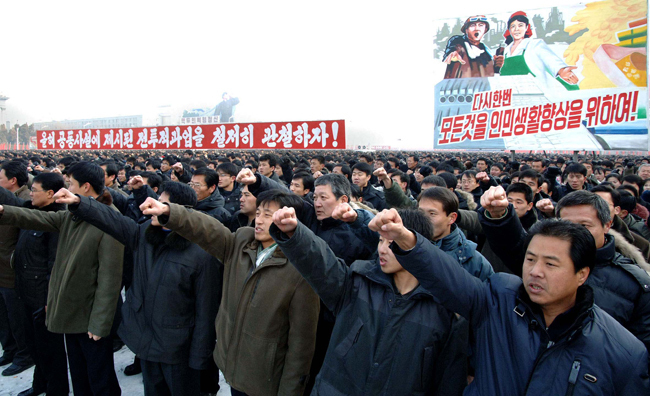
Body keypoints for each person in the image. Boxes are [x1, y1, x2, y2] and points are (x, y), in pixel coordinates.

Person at [374, 209, 649, 394]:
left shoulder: (624, 353)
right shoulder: (499, 299)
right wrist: (407, 240)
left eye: (551, 264)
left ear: (582, 274)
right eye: (530, 259)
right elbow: (448, 278)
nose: (535, 271)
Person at [140, 189, 319, 396]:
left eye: (268, 215)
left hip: (265, 378)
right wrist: (169, 212)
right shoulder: (243, 241)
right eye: (258, 212)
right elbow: (207, 229)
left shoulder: (300, 271)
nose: (259, 220)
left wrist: (290, 391)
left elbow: (301, 346)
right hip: (232, 365)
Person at [270, 206, 466, 395]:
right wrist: (296, 234)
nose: (382, 249)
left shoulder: (444, 310)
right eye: (380, 241)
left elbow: (448, 382)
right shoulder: (358, 282)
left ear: (414, 245)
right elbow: (321, 263)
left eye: (391, 243)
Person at [54, 179, 219, 396]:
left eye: (160, 204)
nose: (152, 209)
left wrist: (200, 359)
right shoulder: (144, 235)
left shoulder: (202, 252)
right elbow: (112, 220)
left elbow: (206, 312)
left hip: (179, 351)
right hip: (147, 343)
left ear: (178, 211)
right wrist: (79, 202)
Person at [0, 162, 123, 395]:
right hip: (72, 310)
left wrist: (100, 322)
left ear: (85, 187)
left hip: (91, 316)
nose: (65, 189)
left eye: (70, 184)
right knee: (79, 373)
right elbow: (42, 219)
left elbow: (110, 278)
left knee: (99, 376)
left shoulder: (108, 220)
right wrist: (5, 211)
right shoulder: (73, 213)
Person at [481, 187, 650, 354]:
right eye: (566, 225)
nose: (574, 234)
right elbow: (515, 244)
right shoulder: (541, 259)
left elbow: (640, 352)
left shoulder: (635, 283)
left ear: (607, 225)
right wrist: (499, 215)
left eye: (584, 226)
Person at [0, 173, 69, 396]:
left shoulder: (57, 220)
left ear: (50, 194)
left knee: (51, 350)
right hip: (26, 291)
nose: (30, 193)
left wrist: (51, 298)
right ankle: (41, 384)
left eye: (35, 190)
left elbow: (55, 264)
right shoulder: (34, 212)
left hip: (43, 296)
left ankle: (56, 389)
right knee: (36, 347)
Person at [0, 160, 33, 377]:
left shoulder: (25, 201)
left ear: (12, 181)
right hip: (1, 267)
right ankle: (10, 349)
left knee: (18, 317)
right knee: (4, 315)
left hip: (13, 270)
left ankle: (24, 354)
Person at [496, 11, 579, 91]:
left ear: (526, 28)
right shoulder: (506, 50)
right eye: (512, 26)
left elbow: (550, 59)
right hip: (512, 94)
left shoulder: (535, 44)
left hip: (534, 92)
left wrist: (561, 70)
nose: (516, 29)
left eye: (520, 25)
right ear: (509, 30)